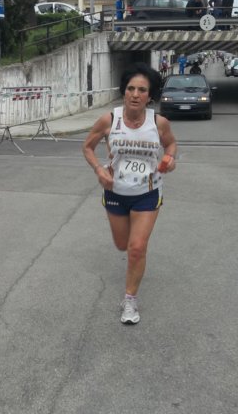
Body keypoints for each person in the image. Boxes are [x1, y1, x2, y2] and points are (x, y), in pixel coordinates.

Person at [82, 62, 177, 325]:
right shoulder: (109, 120)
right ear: (124, 91)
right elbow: (87, 147)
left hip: (148, 192)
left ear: (150, 95)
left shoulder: (158, 123)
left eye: (142, 90)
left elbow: (170, 144)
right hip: (115, 192)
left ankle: (130, 299)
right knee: (122, 244)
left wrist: (170, 159)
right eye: (131, 88)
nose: (135, 94)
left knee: (136, 248)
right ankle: (132, 271)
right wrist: (99, 169)